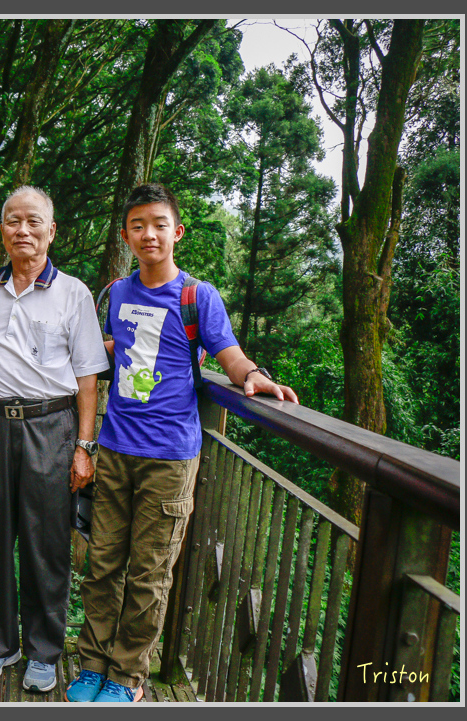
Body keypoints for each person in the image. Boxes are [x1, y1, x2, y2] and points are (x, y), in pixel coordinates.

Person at [65, 182, 299, 703]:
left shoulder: (198, 296)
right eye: (137, 225)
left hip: (170, 455)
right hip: (116, 448)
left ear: (177, 231)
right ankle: (92, 665)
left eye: (158, 224)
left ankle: (128, 676)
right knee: (101, 563)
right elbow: (119, 347)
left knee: (149, 572)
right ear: (127, 235)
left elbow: (228, 353)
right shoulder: (119, 292)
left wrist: (253, 376)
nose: (149, 234)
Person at [0, 186, 109, 693]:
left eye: (33, 222)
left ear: (51, 230)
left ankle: (45, 650)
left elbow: (88, 378)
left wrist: (84, 447)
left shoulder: (74, 293)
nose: (23, 230)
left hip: (53, 426)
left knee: (46, 545)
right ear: (1, 230)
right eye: (13, 221)